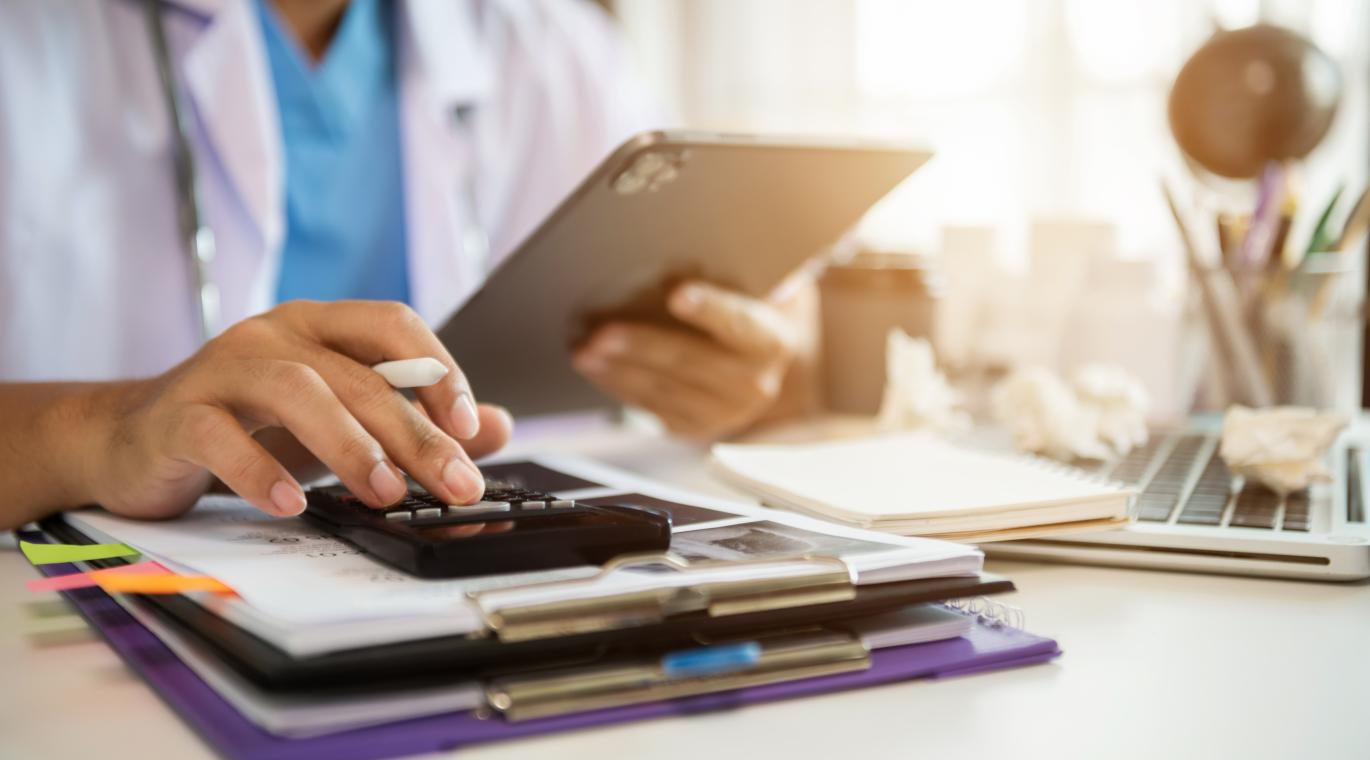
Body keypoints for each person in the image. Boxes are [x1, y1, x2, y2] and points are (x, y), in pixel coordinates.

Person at [0, 0, 815, 531]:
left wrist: (742, 366)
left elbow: (780, 314)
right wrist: (98, 429)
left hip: (477, 597)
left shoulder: (545, 39)